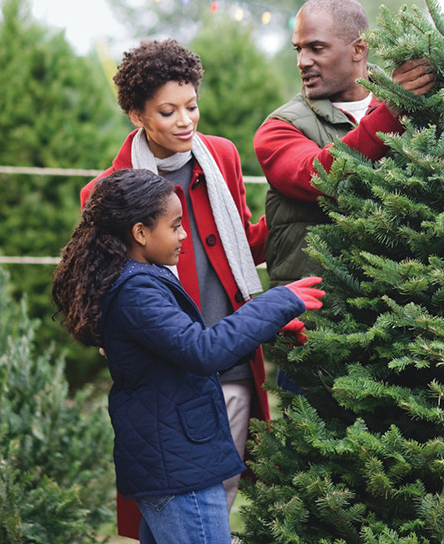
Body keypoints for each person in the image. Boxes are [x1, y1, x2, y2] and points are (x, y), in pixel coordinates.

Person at [52, 169, 324, 544]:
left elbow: (187, 349)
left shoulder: (142, 278)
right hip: (179, 471)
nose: (184, 235)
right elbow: (203, 351)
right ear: (140, 232)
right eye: (176, 225)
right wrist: (279, 301)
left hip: (176, 459)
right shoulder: (136, 292)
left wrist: (268, 326)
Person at [80, 39, 279, 536]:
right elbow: (100, 285)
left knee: (216, 493)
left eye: (191, 106)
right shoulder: (109, 191)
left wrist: (294, 219)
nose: (186, 120)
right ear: (136, 114)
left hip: (231, 359)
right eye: (168, 111)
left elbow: (241, 241)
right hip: (170, 377)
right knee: (188, 506)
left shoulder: (222, 157)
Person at [254, 0, 436, 377]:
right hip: (315, 337)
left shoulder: (409, 109)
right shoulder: (278, 128)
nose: (303, 61)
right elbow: (318, 174)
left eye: (316, 48)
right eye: (298, 49)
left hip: (403, 333)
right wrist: (392, 112)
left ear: (358, 49)